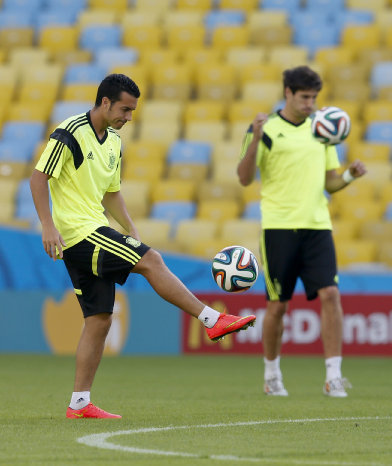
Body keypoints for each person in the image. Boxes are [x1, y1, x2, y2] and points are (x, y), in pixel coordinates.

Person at [30, 74, 256, 419]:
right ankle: (212, 318)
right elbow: (38, 177)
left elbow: (111, 192)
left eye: (133, 110)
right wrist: (47, 225)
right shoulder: (70, 131)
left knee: (100, 319)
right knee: (152, 260)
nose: (129, 116)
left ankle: (79, 403)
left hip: (93, 231)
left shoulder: (114, 142)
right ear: (105, 102)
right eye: (125, 108)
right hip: (79, 233)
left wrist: (130, 230)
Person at [237, 66, 367, 398]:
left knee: (331, 295)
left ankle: (334, 376)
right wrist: (252, 139)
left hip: (317, 226)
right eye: (305, 97)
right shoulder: (264, 129)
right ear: (289, 94)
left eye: (314, 98)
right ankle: (271, 374)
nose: (311, 104)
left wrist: (349, 175)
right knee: (278, 306)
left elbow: (330, 184)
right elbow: (244, 177)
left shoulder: (322, 131)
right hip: (278, 228)